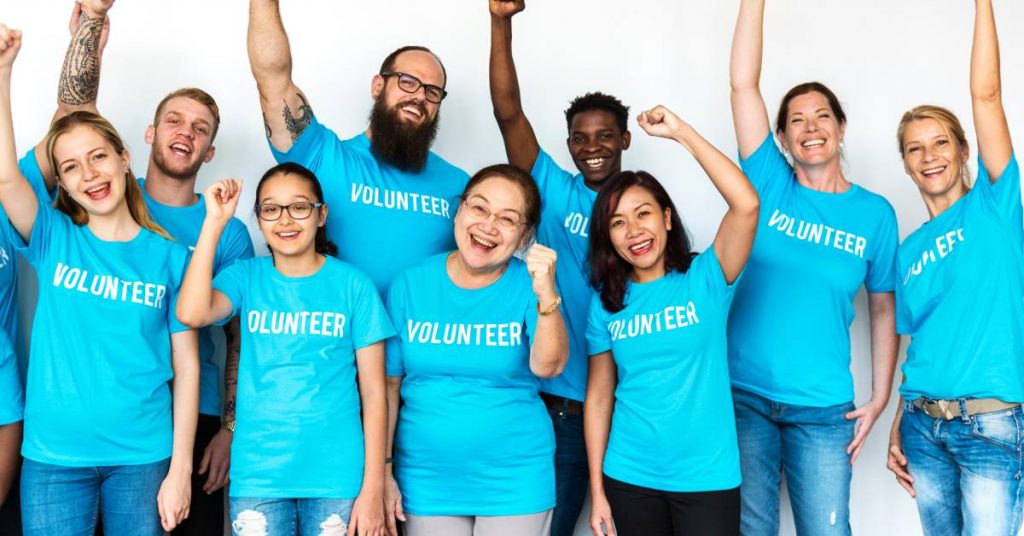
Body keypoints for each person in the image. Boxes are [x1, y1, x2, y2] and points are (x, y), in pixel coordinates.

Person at [0, 25, 198, 535]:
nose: (89, 173)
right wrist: (3, 73)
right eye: (70, 167)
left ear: (124, 157)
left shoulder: (170, 257)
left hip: (143, 458)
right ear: (61, 184)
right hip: (51, 460)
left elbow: (188, 366)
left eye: (98, 156)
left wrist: (179, 472)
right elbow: (5, 179)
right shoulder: (53, 236)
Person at [726, 1, 900, 533]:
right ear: (781, 139)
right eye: (796, 120)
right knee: (751, 530)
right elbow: (742, 86)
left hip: (823, 410)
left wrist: (880, 397)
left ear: (841, 128)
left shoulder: (875, 214)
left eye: (822, 115)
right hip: (743, 396)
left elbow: (883, 308)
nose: (810, 127)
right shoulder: (769, 183)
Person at [177, 163, 392, 536]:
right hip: (259, 477)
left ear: (321, 215)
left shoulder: (354, 286)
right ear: (259, 220)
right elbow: (192, 312)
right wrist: (214, 223)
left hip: (336, 479)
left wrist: (373, 486)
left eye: (299, 207)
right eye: (271, 209)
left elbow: (375, 393)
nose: (285, 220)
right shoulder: (246, 276)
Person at [488, 3, 632, 531]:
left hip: (620, 401)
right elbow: (508, 112)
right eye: (580, 137)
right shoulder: (552, 186)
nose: (592, 147)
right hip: (550, 399)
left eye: (604, 136)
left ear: (625, 139)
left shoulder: (641, 208)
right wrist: (500, 22)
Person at [584, 105, 759, 536]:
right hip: (629, 474)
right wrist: (598, 490)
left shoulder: (706, 279)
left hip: (707, 477)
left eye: (643, 214)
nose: (633, 231)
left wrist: (681, 133)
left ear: (665, 217)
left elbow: (747, 203)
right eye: (618, 223)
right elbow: (600, 398)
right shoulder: (607, 302)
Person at [886, 1, 1023, 533]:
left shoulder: (994, 206)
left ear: (964, 150)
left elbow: (986, 95)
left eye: (941, 142)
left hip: (991, 423)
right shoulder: (908, 249)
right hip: (924, 425)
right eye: (914, 149)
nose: (929, 156)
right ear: (905, 163)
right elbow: (916, 344)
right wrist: (899, 422)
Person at [383, 164, 568, 536]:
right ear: (459, 209)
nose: (488, 225)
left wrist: (547, 294)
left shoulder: (530, 286)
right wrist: (383, 471)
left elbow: (548, 366)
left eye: (507, 219)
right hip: (426, 477)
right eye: (479, 208)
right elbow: (387, 388)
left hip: (515, 479)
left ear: (524, 237)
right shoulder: (409, 284)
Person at [247, 0, 468, 298]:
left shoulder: (459, 185)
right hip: (335, 342)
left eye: (432, 92)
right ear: (378, 86)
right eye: (407, 82)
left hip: (422, 343)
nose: (419, 97)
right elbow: (272, 80)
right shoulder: (324, 157)